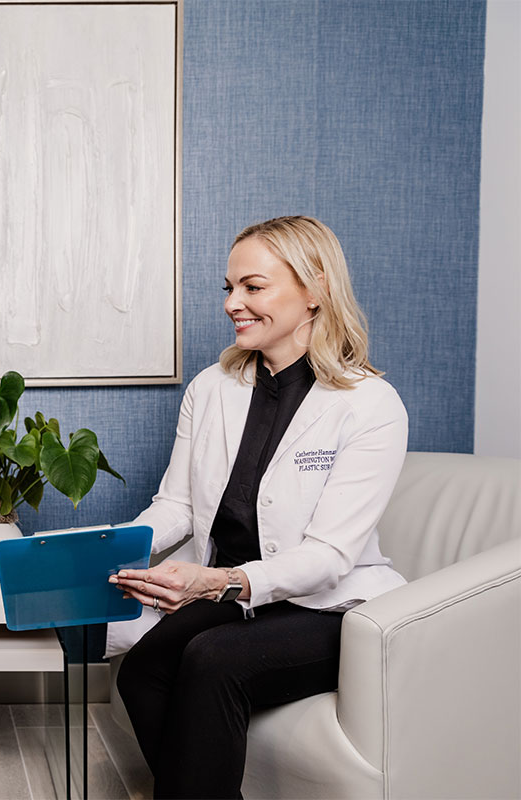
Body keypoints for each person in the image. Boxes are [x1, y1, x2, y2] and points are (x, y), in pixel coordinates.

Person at [108, 216, 408, 799]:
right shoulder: (211, 388)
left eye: (253, 287)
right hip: (238, 595)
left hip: (330, 606)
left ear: (315, 289)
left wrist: (217, 582)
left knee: (213, 660)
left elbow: (328, 557)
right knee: (144, 668)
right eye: (229, 288)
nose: (232, 304)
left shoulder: (370, 405)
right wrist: (115, 552)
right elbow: (174, 504)